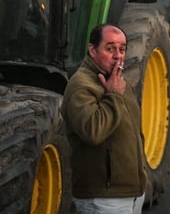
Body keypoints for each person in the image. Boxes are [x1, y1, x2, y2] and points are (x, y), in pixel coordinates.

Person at [61, 24, 147, 214]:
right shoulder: (81, 86)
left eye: (122, 49)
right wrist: (114, 96)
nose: (118, 55)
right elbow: (93, 131)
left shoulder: (119, 82)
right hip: (102, 198)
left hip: (131, 193)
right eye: (110, 49)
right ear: (92, 50)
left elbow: (135, 136)